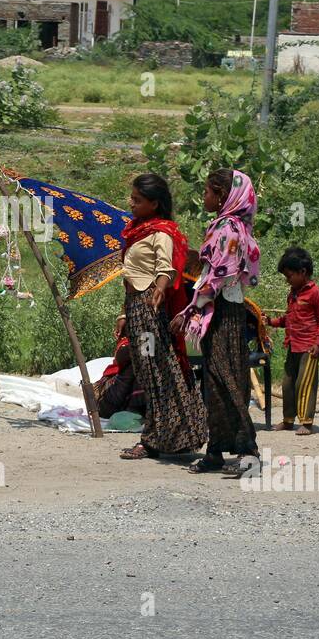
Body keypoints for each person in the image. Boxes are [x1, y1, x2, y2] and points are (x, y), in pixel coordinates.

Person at [173, 169, 262, 476]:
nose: (204, 197)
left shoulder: (227, 229)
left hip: (224, 313)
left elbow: (218, 278)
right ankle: (215, 451)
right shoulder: (235, 226)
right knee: (215, 384)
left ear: (223, 196)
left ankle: (249, 453)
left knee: (227, 382)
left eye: (208, 192)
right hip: (226, 312)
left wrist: (190, 308)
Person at [117, 174, 207, 460]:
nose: (131, 203)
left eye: (137, 200)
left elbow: (166, 268)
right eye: (132, 198)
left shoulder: (162, 233)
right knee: (148, 371)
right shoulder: (137, 230)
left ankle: (156, 438)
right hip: (136, 308)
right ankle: (164, 434)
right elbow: (131, 276)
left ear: (154, 204)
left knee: (156, 370)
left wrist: (159, 287)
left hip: (149, 311)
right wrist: (124, 313)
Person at [267, 247, 319, 435]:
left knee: (304, 384)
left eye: (290, 276)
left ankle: (306, 421)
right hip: (293, 344)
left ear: (303, 272)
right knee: (288, 384)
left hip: (309, 347)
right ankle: (288, 420)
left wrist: (318, 344)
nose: (288, 280)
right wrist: (271, 322)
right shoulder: (293, 293)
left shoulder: (316, 293)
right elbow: (288, 318)